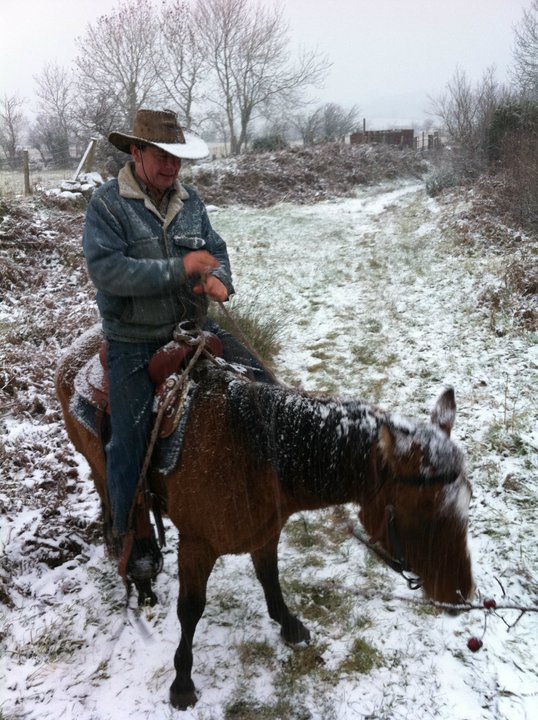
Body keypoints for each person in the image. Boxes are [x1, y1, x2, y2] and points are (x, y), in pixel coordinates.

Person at [83, 109, 269, 583]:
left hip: (191, 328)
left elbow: (216, 250)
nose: (171, 167)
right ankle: (130, 532)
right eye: (161, 156)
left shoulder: (191, 202)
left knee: (264, 384)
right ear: (136, 152)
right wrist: (182, 269)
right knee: (128, 440)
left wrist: (219, 281)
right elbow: (107, 271)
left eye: (177, 158)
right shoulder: (107, 204)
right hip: (134, 341)